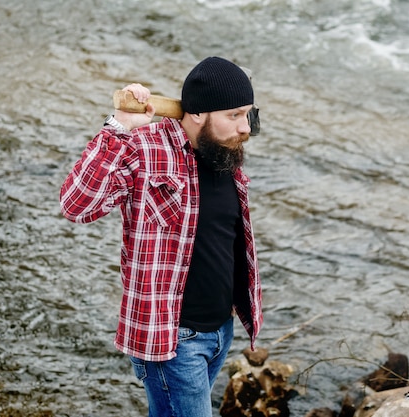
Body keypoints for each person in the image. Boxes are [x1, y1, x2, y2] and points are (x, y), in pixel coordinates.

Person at [59, 56, 263, 417]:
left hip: (220, 331)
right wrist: (120, 126)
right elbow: (77, 205)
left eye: (248, 114)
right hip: (173, 340)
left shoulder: (223, 151)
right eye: (234, 115)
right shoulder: (144, 148)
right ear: (197, 113)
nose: (245, 127)